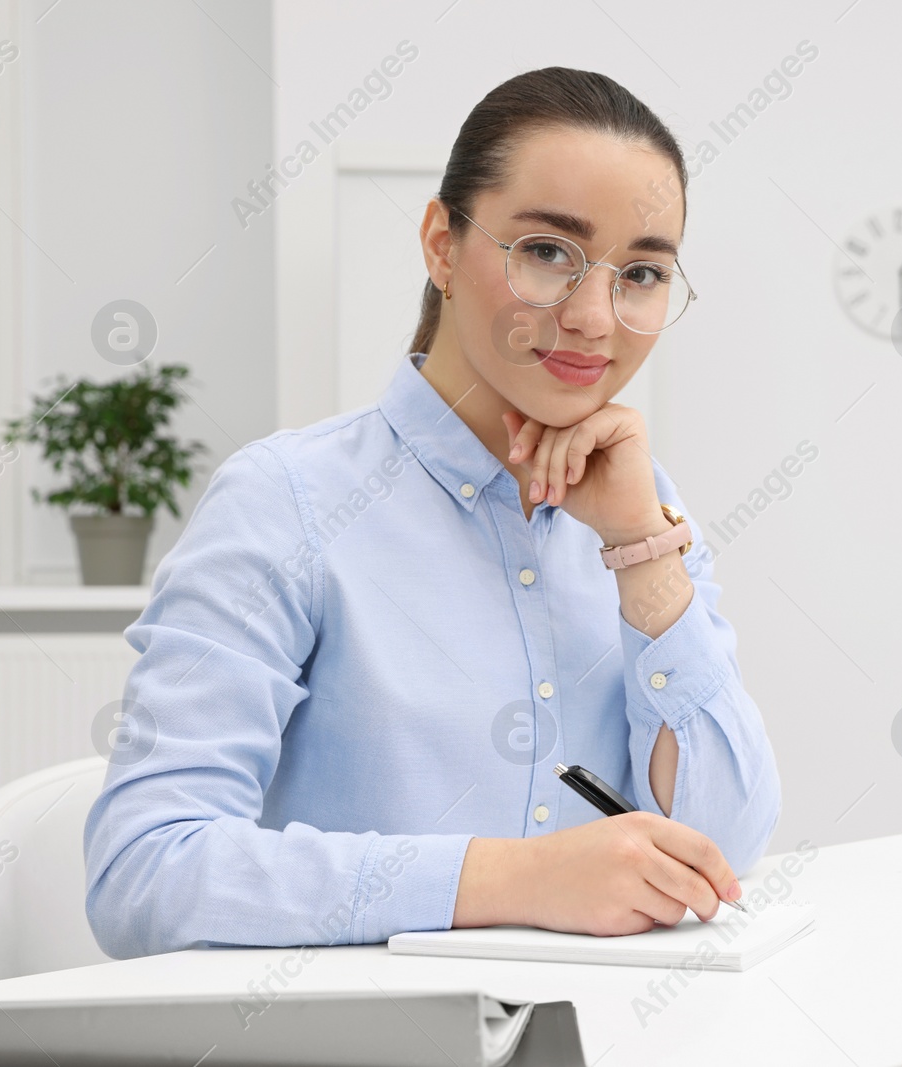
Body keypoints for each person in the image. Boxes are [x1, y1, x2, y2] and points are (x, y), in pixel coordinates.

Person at [83, 67, 782, 958]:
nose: (597, 317)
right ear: (442, 246)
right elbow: (144, 873)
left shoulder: (645, 513)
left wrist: (643, 552)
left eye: (641, 272)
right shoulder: (286, 503)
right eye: (547, 252)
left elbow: (724, 847)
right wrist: (515, 879)